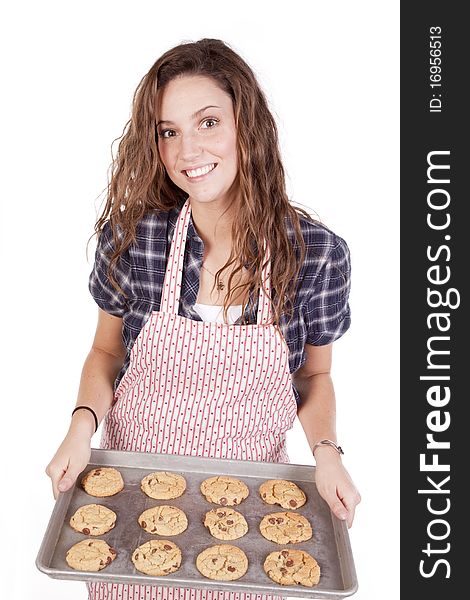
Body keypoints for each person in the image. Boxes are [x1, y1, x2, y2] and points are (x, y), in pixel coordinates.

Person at [45, 38, 360, 600]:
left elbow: (314, 377)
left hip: (256, 520)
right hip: (132, 512)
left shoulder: (316, 254)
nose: (187, 148)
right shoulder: (133, 242)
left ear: (248, 126)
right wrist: (80, 427)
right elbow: (107, 353)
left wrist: (327, 456)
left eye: (208, 121)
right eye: (168, 131)